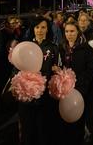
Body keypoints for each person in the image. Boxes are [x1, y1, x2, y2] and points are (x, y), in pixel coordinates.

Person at [17, 16, 59, 145]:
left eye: (43, 27)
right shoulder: (25, 46)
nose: (40, 30)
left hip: (45, 96)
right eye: (37, 27)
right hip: (27, 96)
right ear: (33, 29)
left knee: (43, 129)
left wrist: (57, 70)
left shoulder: (53, 48)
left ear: (48, 30)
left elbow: (57, 69)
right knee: (27, 129)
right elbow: (17, 68)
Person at [57, 22, 93, 144]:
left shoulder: (87, 49)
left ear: (78, 32)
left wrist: (80, 85)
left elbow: (91, 70)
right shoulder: (62, 48)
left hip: (80, 91)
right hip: (64, 91)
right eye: (67, 31)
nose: (69, 34)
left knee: (78, 121)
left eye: (72, 31)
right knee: (64, 120)